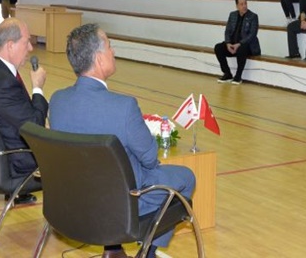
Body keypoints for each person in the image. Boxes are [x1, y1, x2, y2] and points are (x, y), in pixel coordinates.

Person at [50, 24, 196, 258]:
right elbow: (149, 158)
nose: (113, 51)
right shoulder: (123, 107)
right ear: (98, 59)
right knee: (186, 178)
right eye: (109, 45)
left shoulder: (57, 101)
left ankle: (115, 249)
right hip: (122, 205)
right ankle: (148, 251)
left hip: (73, 202)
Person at [0, 18, 47, 203]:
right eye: (26, 42)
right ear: (10, 45)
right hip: (17, 163)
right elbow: (35, 126)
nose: (30, 48)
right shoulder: (5, 84)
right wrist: (37, 88)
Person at [215, 0, 261, 84]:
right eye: (241, 4)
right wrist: (228, 43)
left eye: (245, 3)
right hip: (233, 45)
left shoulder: (253, 16)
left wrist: (239, 44)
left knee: (242, 48)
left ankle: (238, 76)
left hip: (248, 46)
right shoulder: (232, 15)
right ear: (237, 6)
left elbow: (252, 35)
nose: (244, 6)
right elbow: (227, 31)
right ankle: (227, 73)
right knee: (218, 47)